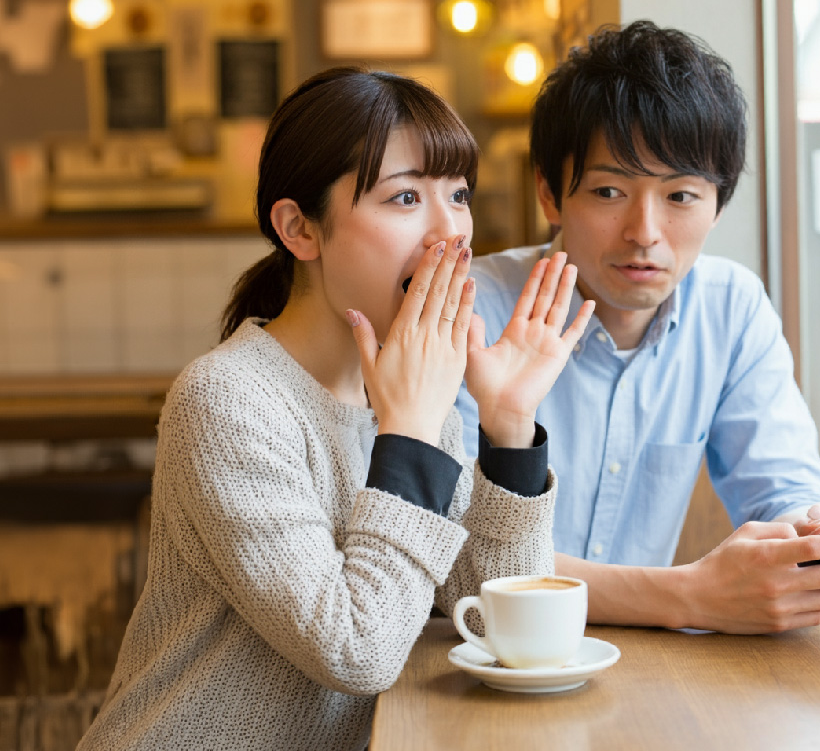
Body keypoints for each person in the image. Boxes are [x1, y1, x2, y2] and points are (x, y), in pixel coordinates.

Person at [77, 67, 592, 751]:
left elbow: (498, 612)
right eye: (405, 197)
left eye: (458, 195)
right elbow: (356, 650)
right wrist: (409, 431)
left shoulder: (411, 396)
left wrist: (507, 427)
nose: (452, 233)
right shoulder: (227, 401)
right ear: (299, 229)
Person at [455, 20, 820, 635]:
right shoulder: (474, 310)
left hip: (646, 670)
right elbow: (447, 554)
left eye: (682, 197)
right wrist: (687, 596)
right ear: (551, 195)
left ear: (718, 204)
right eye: (609, 191)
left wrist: (813, 540)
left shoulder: (731, 308)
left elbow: (783, 484)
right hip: (473, 663)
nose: (645, 232)